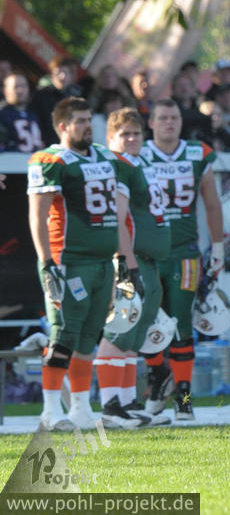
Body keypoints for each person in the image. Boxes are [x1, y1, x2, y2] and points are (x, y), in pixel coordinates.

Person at [27, 97, 119, 430]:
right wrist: (46, 261)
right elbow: (37, 214)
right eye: (80, 121)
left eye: (89, 119)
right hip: (68, 261)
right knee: (63, 335)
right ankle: (51, 410)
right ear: (63, 126)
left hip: (102, 261)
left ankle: (80, 408)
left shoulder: (104, 156)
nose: (88, 126)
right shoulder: (50, 160)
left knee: (88, 337)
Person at [140, 99, 225, 421]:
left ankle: (184, 398)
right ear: (151, 122)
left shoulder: (197, 152)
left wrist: (217, 247)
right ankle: (157, 381)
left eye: (173, 117)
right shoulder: (138, 154)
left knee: (181, 324)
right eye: (162, 117)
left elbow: (212, 203)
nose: (169, 123)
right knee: (148, 323)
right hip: (148, 253)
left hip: (185, 252)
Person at [95, 107, 171, 428]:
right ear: (110, 137)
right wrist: (127, 263)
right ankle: (110, 406)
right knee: (118, 331)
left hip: (148, 260)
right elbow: (118, 217)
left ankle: (127, 403)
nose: (131, 139)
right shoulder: (117, 165)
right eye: (124, 134)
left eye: (136, 133)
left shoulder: (141, 163)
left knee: (133, 335)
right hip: (131, 259)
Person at [30, 56, 83, 146]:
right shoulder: (41, 96)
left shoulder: (76, 97)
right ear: (51, 75)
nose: (62, 76)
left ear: (71, 76)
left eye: (66, 72)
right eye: (58, 72)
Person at [0, 73, 43, 152]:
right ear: (6, 91)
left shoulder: (32, 114)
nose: (20, 90)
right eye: (15, 87)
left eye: (23, 86)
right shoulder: (2, 114)